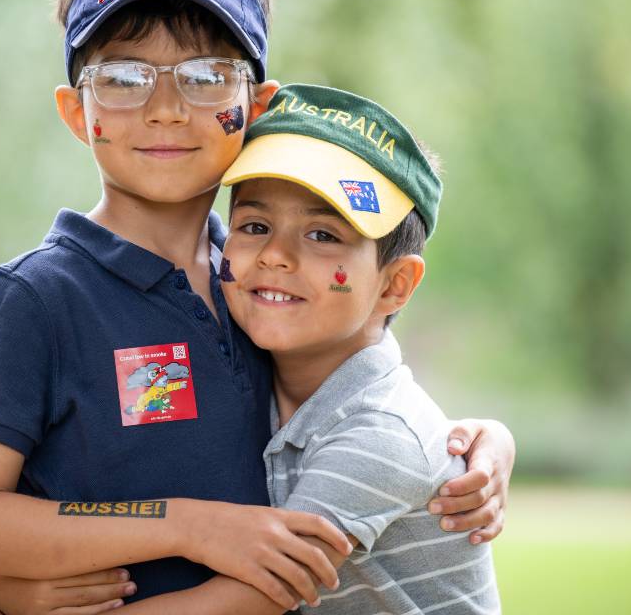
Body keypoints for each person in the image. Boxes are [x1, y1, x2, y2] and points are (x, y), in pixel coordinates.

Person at [0, 0, 515, 614]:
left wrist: (480, 442)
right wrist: (188, 523)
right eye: (122, 76)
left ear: (255, 102)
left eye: (206, 76)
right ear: (78, 112)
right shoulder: (36, 299)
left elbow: (365, 408)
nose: (167, 108)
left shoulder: (256, 288)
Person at [108, 84, 499, 614]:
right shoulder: (237, 370)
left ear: (395, 285)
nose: (275, 255)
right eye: (254, 226)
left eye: (322, 235)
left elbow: (252, 601)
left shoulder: (382, 435)